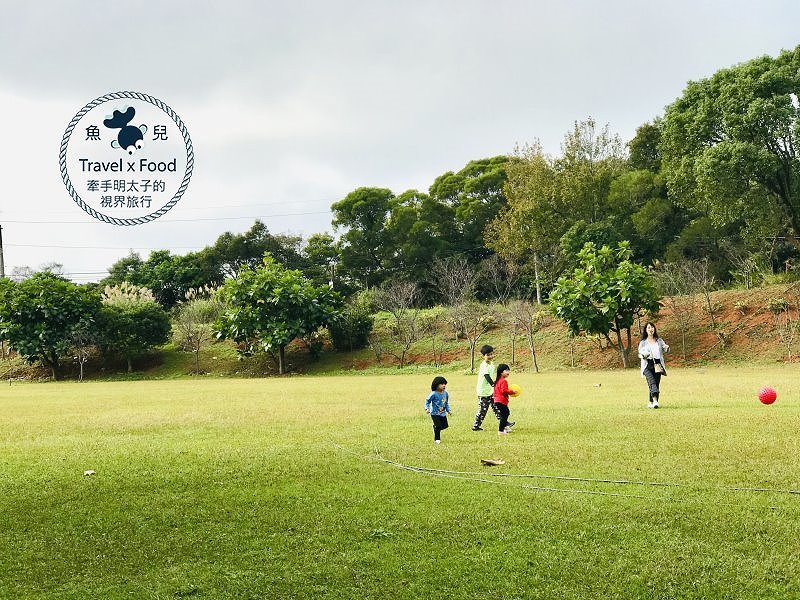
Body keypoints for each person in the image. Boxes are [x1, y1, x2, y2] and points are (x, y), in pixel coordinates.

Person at [638, 322, 670, 409]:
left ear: (654, 329)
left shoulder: (659, 340)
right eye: (648, 328)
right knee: (651, 382)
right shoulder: (643, 342)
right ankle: (655, 401)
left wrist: (667, 348)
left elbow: (664, 348)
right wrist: (644, 355)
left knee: (656, 383)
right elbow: (640, 354)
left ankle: (651, 402)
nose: (650, 329)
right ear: (646, 330)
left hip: (658, 364)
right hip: (647, 365)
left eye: (652, 327)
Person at [472, 344, 501, 431]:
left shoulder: (492, 364)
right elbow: (487, 376)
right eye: (488, 355)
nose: (490, 356)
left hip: (491, 391)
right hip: (483, 392)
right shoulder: (483, 365)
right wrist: (493, 384)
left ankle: (504, 422)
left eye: (491, 354)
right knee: (483, 410)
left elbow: (492, 376)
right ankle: (476, 426)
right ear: (483, 356)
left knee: (497, 407)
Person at [425, 376, 451, 444]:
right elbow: (427, 401)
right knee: (439, 426)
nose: (444, 385)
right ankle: (437, 440)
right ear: (436, 385)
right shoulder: (433, 394)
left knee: (445, 426)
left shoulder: (446, 393)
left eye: (445, 384)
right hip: (434, 413)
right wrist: (427, 408)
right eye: (442, 384)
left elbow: (446, 403)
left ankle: (435, 427)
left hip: (442, 413)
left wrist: (448, 410)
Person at [492, 363, 515, 435]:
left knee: (504, 414)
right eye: (506, 370)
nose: (508, 372)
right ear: (501, 372)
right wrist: (512, 392)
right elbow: (504, 390)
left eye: (509, 370)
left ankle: (505, 427)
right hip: (501, 401)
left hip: (497, 401)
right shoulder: (503, 381)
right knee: (505, 414)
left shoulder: (498, 381)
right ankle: (501, 431)